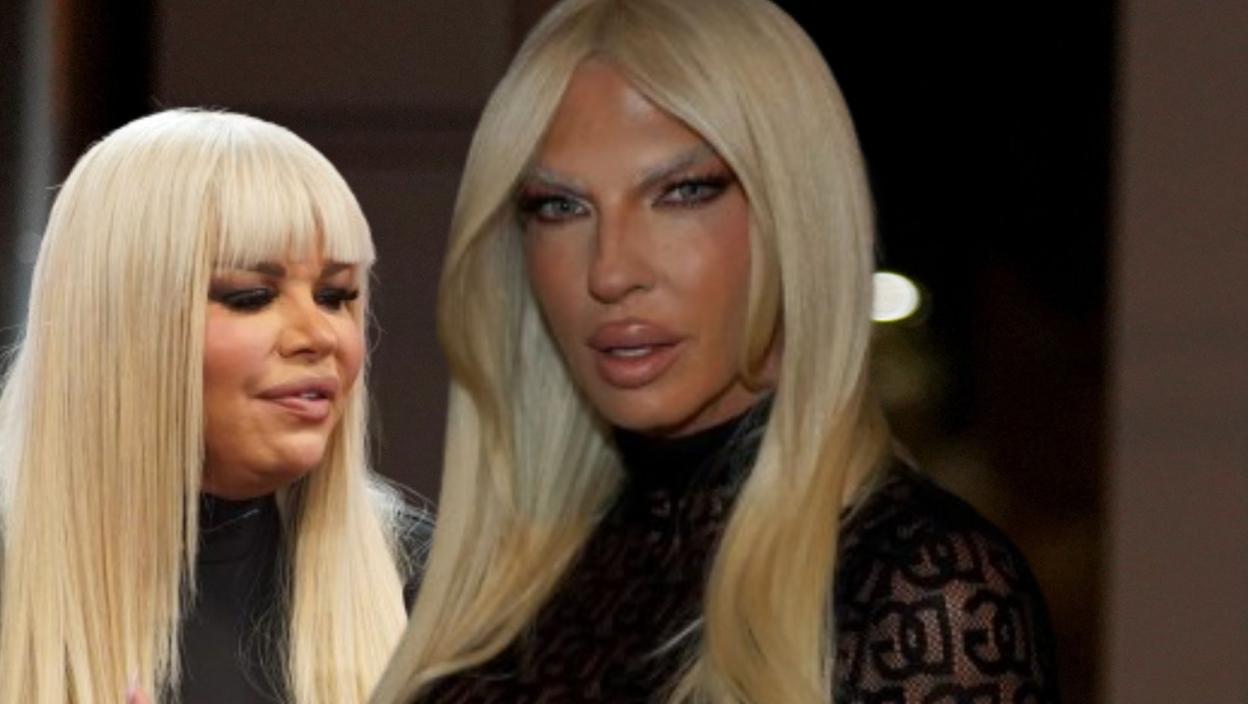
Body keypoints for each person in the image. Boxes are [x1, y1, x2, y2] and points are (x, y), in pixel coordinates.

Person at [372, 0, 1059, 702]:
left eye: (682, 192)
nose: (610, 271)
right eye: (560, 206)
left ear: (796, 213)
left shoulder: (924, 592)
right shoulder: (481, 601)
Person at [0, 109, 422, 704]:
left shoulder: (423, 587)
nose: (319, 335)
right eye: (252, 296)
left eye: (335, 296)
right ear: (121, 321)